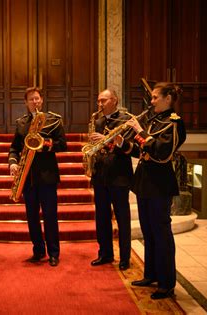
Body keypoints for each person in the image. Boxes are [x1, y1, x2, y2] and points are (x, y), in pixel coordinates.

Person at [125, 82, 186, 300]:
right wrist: (123, 144)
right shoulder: (154, 121)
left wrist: (139, 131)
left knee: (161, 234)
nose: (151, 102)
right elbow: (140, 151)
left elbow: (162, 152)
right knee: (148, 232)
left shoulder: (174, 123)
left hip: (160, 185)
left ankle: (167, 283)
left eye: (154, 97)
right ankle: (150, 274)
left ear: (168, 98)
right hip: (144, 182)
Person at [9, 87, 67, 267]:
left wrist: (44, 144)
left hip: (47, 176)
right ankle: (38, 250)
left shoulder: (53, 120)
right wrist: (13, 162)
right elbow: (14, 148)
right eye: (31, 99)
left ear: (41, 100)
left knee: (50, 216)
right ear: (26, 103)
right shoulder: (21, 123)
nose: (34, 102)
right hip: (28, 178)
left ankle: (54, 253)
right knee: (32, 217)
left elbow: (62, 145)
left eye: (37, 98)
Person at [88, 89, 134, 270]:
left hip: (119, 176)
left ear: (114, 100)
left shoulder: (126, 120)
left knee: (123, 218)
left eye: (103, 100)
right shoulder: (97, 121)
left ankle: (125, 258)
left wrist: (106, 140)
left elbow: (129, 147)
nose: (99, 104)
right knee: (102, 217)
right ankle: (105, 253)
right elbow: (96, 146)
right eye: (98, 101)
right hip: (100, 176)